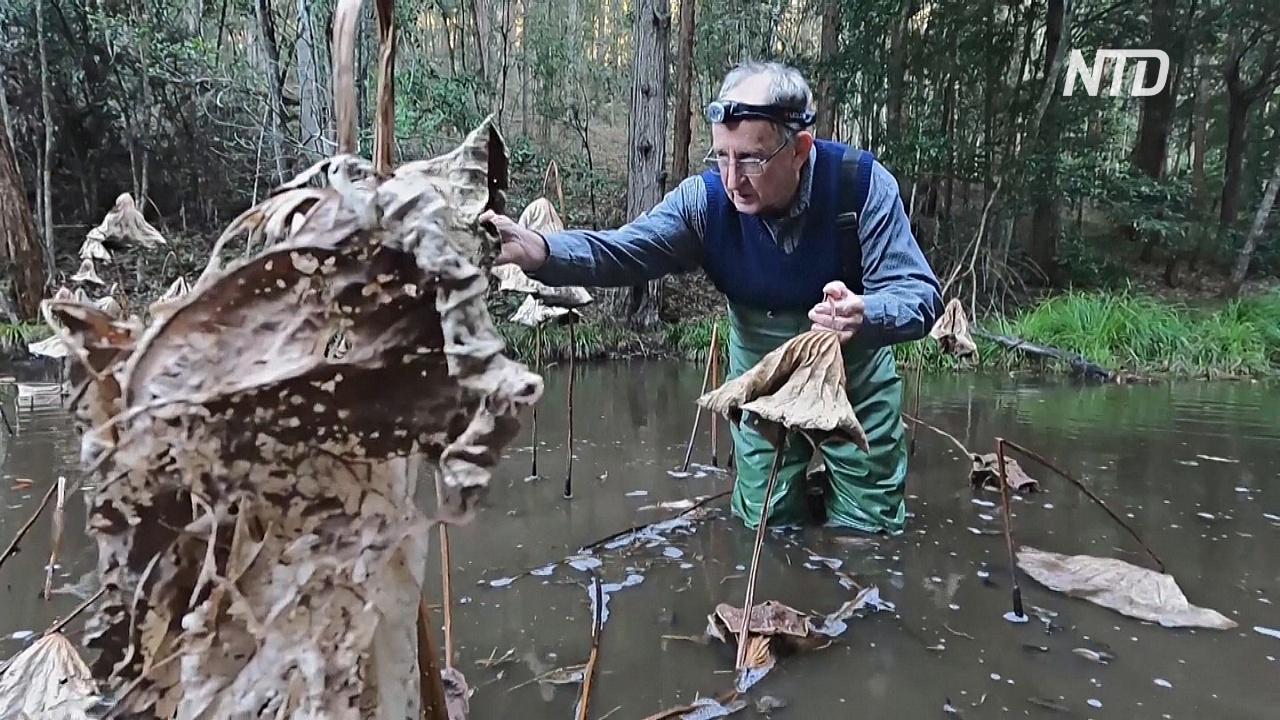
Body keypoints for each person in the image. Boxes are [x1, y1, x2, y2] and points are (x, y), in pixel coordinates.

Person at [481, 61, 943, 535]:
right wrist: (540, 251)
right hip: (760, 376)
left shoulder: (860, 185)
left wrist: (867, 314)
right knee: (767, 517)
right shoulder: (704, 203)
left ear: (799, 149)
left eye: (750, 159)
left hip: (854, 371)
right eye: (721, 156)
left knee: (870, 524)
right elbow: (625, 250)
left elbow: (922, 296)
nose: (732, 178)